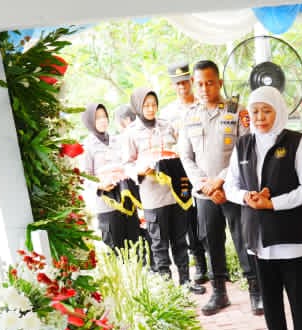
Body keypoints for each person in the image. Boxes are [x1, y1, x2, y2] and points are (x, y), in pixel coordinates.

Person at [225, 86, 302, 330]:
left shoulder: (298, 142)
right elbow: (230, 185)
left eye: (266, 111)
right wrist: (246, 198)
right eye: (254, 111)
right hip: (258, 238)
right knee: (270, 297)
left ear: (278, 111)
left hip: (291, 237)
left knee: (298, 297)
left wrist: (273, 203)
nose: (260, 117)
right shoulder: (243, 145)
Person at [178, 59, 258, 316]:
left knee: (243, 240)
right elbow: (186, 157)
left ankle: (256, 292)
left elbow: (245, 150)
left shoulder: (236, 111)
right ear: (193, 84)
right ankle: (219, 293)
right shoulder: (189, 116)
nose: (204, 88)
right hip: (204, 194)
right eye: (199, 84)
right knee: (211, 242)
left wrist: (221, 180)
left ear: (219, 83)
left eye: (210, 83)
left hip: (233, 189)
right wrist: (205, 185)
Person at [124, 88, 202, 293]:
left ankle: (185, 282)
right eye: (146, 105)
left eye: (153, 104)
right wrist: (140, 170)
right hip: (152, 196)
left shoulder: (167, 126)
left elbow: (180, 150)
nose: (150, 109)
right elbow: (127, 164)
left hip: (174, 193)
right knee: (159, 244)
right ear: (138, 107)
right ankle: (168, 289)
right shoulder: (131, 133)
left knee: (179, 239)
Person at [160, 61, 211, 286]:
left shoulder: (204, 104)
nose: (181, 87)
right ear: (173, 86)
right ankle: (199, 263)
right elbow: (167, 143)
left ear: (191, 81)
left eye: (184, 82)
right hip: (180, 171)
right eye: (177, 84)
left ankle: (217, 261)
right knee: (189, 218)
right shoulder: (169, 113)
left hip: (203, 168)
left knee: (208, 217)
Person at [81, 103, 144, 258]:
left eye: (104, 116)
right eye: (97, 118)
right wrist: (100, 185)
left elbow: (129, 163)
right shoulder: (88, 146)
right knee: (116, 252)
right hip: (107, 206)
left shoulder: (118, 140)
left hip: (126, 200)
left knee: (137, 247)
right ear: (90, 121)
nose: (102, 121)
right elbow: (84, 176)